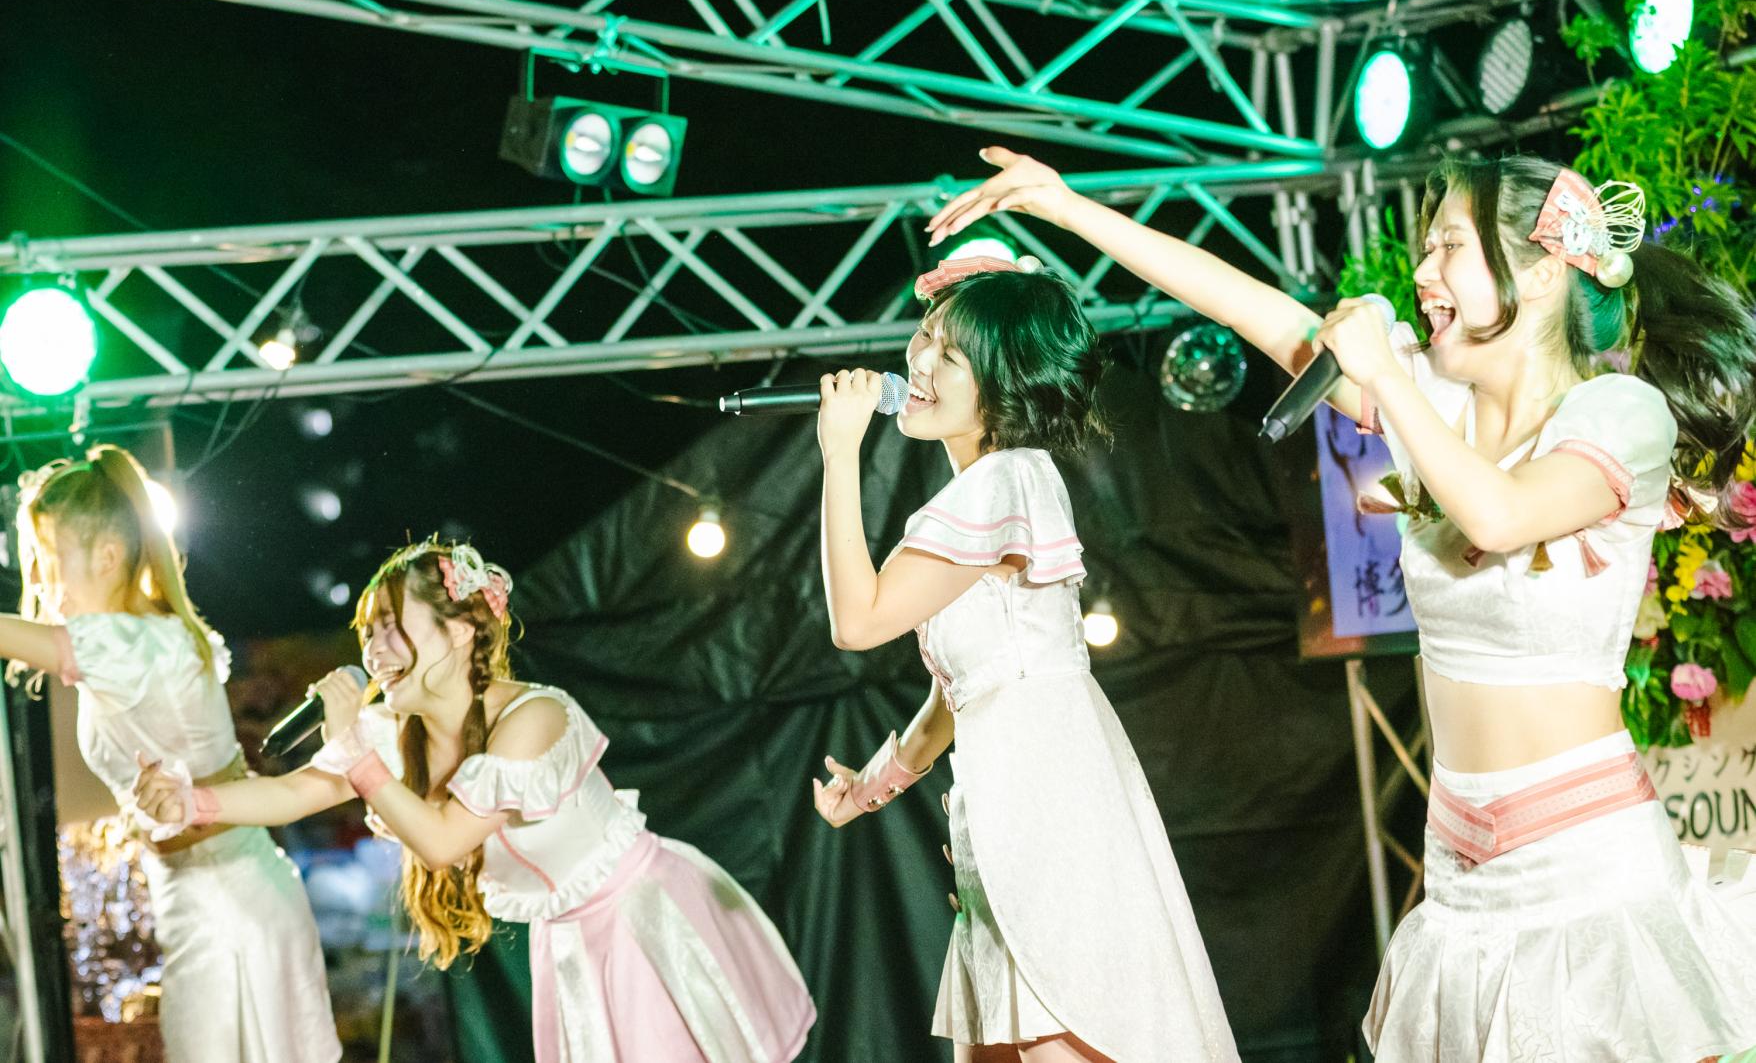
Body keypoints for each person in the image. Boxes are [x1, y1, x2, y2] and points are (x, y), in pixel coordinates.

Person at [930, 148, 1756, 1059]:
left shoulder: (1619, 414)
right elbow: (1251, 309)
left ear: (1541, 269)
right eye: (1426, 249)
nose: (1423, 272)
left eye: (1449, 246)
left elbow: (1502, 513)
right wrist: (1069, 206)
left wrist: (1389, 380)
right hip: (1462, 872)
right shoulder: (1435, 402)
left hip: (1587, 864)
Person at [133, 538, 815, 1063]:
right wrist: (190, 803)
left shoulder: (536, 717)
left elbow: (443, 841)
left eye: (392, 625)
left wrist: (358, 754)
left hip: (647, 920)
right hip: (570, 944)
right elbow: (292, 791)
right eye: (368, 632)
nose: (374, 649)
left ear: (460, 630)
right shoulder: (391, 733)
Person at [811, 256, 1240, 1063]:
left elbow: (857, 621)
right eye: (925, 337)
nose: (919, 362)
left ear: (1003, 388)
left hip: (1047, 803)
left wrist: (839, 453)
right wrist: (870, 787)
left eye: (951, 355)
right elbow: (959, 695)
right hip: (1010, 799)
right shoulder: (992, 489)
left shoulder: (1004, 480)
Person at [0, 445, 338, 1062]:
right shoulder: (147, 639)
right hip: (208, 895)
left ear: (107, 556)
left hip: (228, 903)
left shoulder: (134, 643)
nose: (43, 582)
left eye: (50, 559)